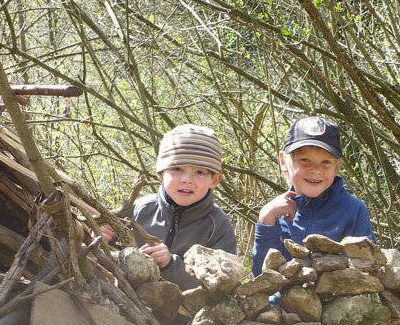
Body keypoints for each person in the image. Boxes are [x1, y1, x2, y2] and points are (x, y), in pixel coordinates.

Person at [102, 124, 237, 290]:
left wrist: (171, 265)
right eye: (177, 169)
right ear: (160, 173)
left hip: (187, 313)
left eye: (199, 172)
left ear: (215, 180)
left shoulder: (217, 225)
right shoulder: (140, 209)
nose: (187, 180)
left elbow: (224, 283)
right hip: (126, 301)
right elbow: (115, 255)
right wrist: (106, 239)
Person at [251, 116, 375, 276]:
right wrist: (266, 219)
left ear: (337, 166)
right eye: (305, 160)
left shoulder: (353, 210)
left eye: (326, 162)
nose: (316, 169)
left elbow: (367, 271)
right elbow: (262, 276)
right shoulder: (277, 212)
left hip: (339, 299)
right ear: (284, 161)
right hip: (283, 301)